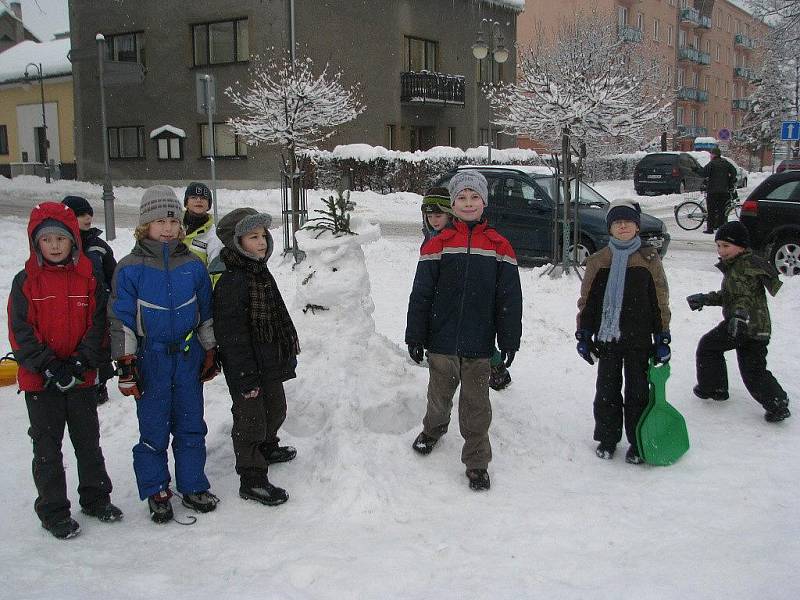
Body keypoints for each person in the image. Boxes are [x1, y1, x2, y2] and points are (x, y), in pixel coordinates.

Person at [8, 202, 121, 539]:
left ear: (73, 239)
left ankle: (96, 497)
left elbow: (97, 325)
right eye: (47, 240)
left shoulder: (87, 277)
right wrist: (50, 366)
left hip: (81, 376)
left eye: (61, 238)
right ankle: (54, 510)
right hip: (41, 383)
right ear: (36, 243)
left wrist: (80, 362)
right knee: (47, 448)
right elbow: (21, 332)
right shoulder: (26, 281)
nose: (55, 245)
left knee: (88, 441)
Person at [108, 186, 220, 523]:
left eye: (172, 220)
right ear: (145, 226)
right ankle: (156, 487)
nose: (168, 227)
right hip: (150, 359)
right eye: (159, 221)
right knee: (154, 427)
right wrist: (126, 365)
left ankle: (192, 484)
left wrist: (210, 349)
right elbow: (121, 320)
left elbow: (205, 311)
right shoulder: (129, 268)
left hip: (187, 356)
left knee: (190, 424)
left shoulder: (193, 266)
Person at [406, 170, 522, 491]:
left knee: (476, 405)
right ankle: (433, 430)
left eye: (474, 197)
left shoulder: (499, 246)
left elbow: (508, 298)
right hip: (441, 340)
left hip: (479, 343)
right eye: (461, 198)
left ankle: (476, 461)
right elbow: (422, 294)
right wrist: (416, 335)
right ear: (452, 204)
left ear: (484, 202)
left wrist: (509, 338)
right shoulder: (438, 244)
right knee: (439, 396)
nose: (468, 203)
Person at [212, 208, 300, 507]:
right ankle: (252, 478)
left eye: (263, 235)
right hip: (247, 367)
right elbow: (232, 336)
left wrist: (283, 355)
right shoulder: (232, 280)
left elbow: (276, 318)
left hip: (268, 360)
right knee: (251, 420)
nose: (262, 242)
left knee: (276, 409)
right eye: (253, 236)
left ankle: (267, 446)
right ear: (237, 242)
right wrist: (245, 376)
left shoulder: (258, 270)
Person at [576, 199, 671, 464]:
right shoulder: (599, 261)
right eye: (617, 223)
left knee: (638, 392)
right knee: (606, 390)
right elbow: (588, 301)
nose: (623, 226)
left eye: (628, 222)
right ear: (610, 229)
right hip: (608, 339)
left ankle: (637, 440)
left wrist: (662, 335)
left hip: (639, 339)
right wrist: (584, 334)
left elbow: (660, 300)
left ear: (637, 227)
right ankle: (607, 437)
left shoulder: (648, 259)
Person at [687, 221, 790, 422]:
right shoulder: (742, 264)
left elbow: (744, 298)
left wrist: (739, 316)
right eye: (718, 246)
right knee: (753, 370)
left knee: (708, 346)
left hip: (743, 325)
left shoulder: (741, 269)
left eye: (726, 246)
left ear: (741, 246)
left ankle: (713, 387)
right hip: (757, 329)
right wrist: (705, 299)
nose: (721, 251)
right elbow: (730, 296)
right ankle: (777, 401)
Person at [420, 186, 513, 391]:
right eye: (429, 215)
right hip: (445, 303)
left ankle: (497, 367)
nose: (434, 220)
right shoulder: (431, 236)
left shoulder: (453, 235)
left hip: (469, 302)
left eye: (439, 215)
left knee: (479, 341)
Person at [61, 195, 116, 405]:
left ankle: (100, 383)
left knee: (99, 343)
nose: (88, 218)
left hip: (98, 304)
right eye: (81, 214)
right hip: (73, 306)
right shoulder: (62, 247)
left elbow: (113, 275)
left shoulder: (98, 247)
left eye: (89, 213)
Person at [182, 182, 223, 281]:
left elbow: (217, 272)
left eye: (203, 198)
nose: (199, 200)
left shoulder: (214, 236)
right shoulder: (174, 226)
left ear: (208, 205)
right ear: (186, 203)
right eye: (193, 197)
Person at [702, 147, 737, 234]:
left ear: (714, 154)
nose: (710, 156)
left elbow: (703, 173)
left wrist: (695, 169)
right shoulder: (725, 162)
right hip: (723, 191)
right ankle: (721, 228)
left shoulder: (712, 163)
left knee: (711, 210)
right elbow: (734, 172)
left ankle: (710, 228)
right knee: (722, 210)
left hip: (712, 191)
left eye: (711, 154)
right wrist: (730, 181)